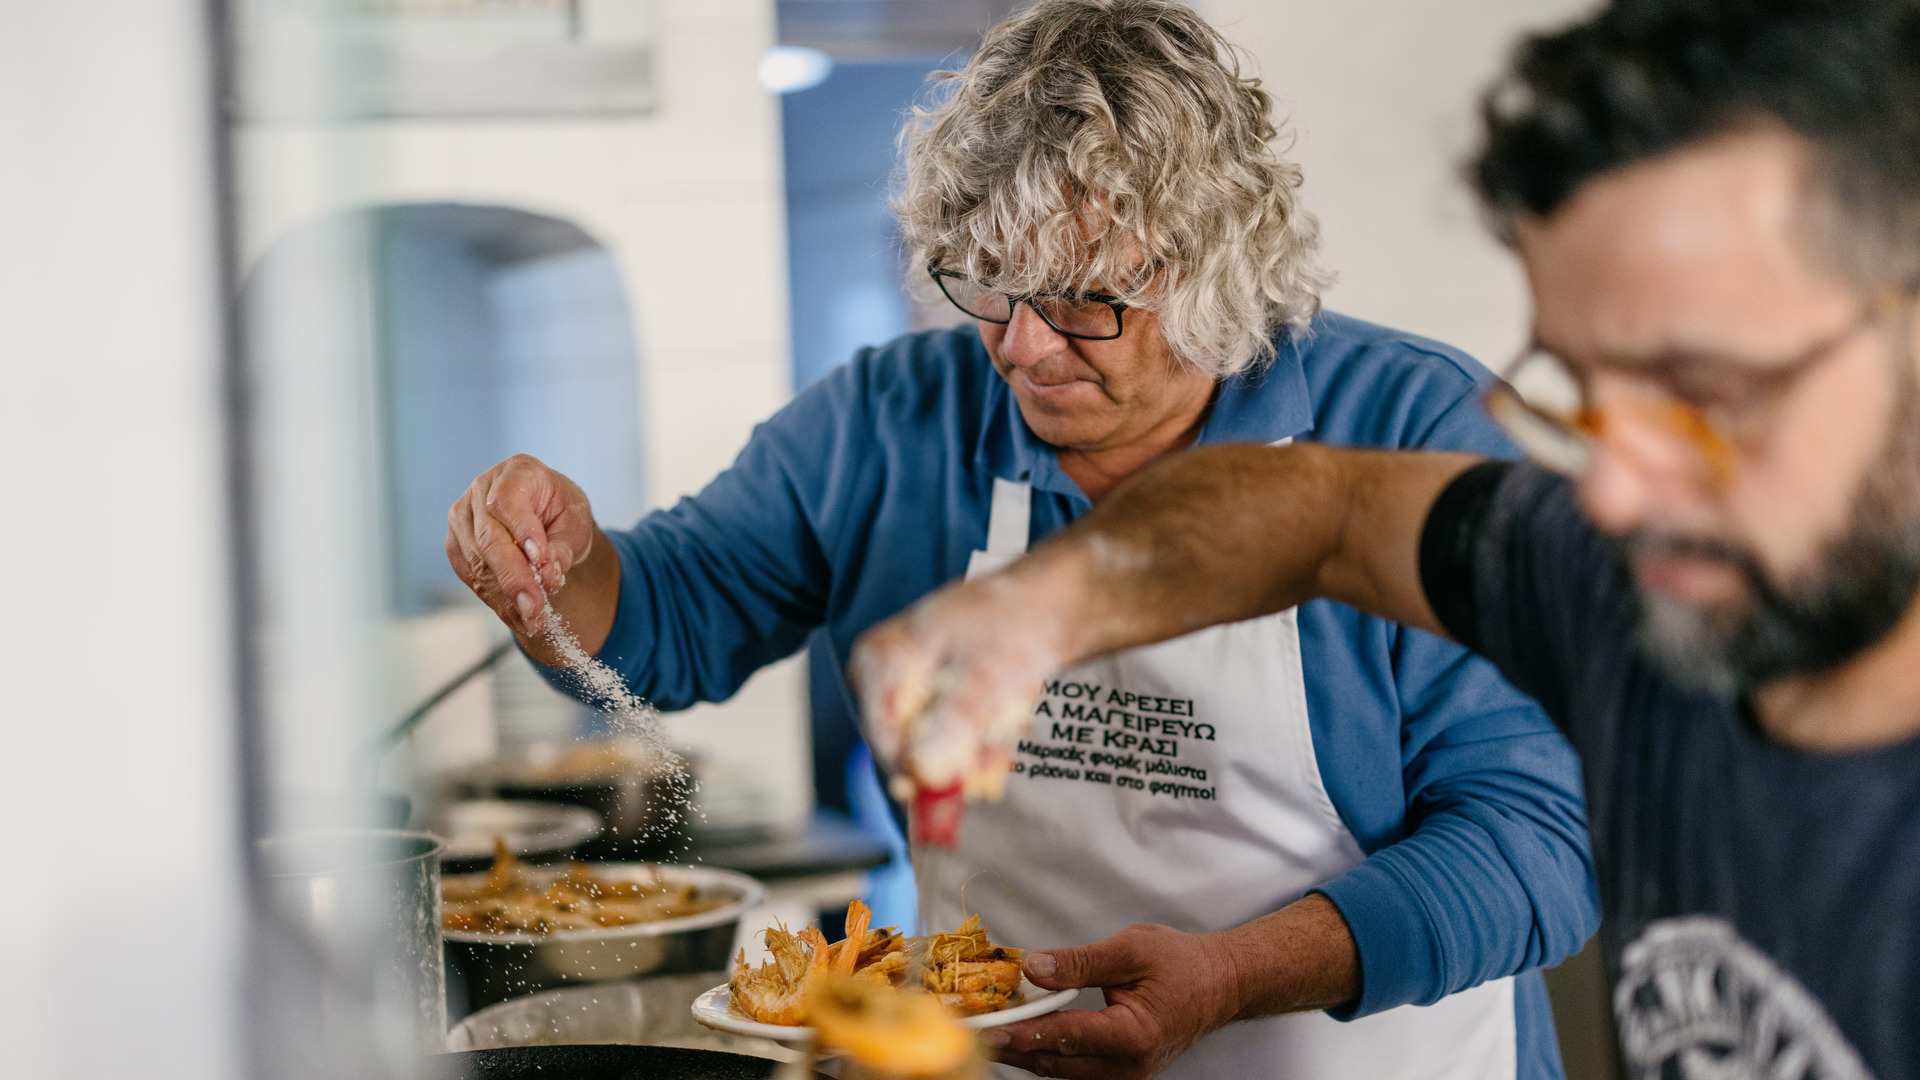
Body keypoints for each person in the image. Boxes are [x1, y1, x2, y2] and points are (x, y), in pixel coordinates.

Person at [446, 2, 1597, 1077]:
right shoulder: (891, 424)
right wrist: (566, 565)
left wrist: (1233, 974)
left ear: (1217, 261)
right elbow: (670, 617)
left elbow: (1543, 837)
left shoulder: (1419, 433)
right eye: (988, 283)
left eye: (1088, 297)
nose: (1026, 349)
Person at [850, 1, 1920, 1077]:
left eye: (1705, 392)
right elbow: (1323, 513)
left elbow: (1525, 841)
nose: (1610, 494)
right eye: (1584, 392)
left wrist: (1236, 971)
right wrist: (1036, 611)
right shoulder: (1604, 586)